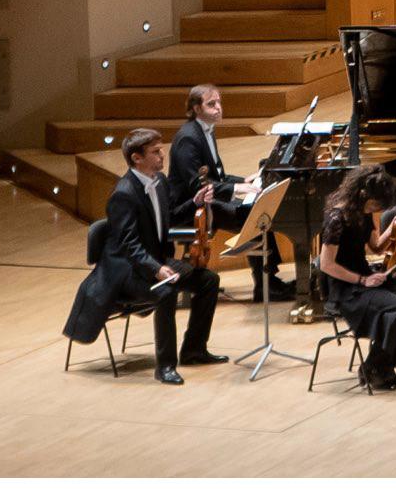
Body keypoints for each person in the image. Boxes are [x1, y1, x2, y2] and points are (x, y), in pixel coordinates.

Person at [61, 126, 225, 382]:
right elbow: (129, 245)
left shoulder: (159, 182)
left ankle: (194, 350)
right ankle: (165, 367)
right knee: (166, 293)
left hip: (152, 262)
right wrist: (157, 269)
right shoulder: (123, 194)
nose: (162, 156)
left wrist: (195, 202)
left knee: (209, 281)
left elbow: (168, 218)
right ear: (137, 158)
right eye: (156, 152)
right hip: (125, 273)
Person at [168, 83, 290, 302]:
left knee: (258, 211)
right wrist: (236, 188)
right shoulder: (188, 138)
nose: (218, 108)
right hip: (189, 208)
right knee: (254, 216)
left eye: (219, 102)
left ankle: (268, 281)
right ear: (196, 108)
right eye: (211, 104)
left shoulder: (205, 131)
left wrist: (242, 180)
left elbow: (217, 176)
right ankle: (266, 285)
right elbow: (197, 185)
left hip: (207, 201)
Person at [315, 163, 396, 391]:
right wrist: (362, 281)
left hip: (366, 277)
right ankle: (374, 368)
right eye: (375, 204)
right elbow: (327, 264)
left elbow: (377, 247)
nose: (376, 209)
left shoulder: (363, 212)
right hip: (346, 288)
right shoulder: (336, 219)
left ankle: (386, 363)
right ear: (362, 194)